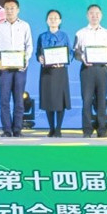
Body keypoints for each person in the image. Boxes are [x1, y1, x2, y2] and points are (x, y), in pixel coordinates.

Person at [0, 0, 32, 137]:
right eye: (7, 8)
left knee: (19, 100)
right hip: (4, 68)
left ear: (18, 10)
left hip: (20, 68)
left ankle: (17, 129)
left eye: (12, 8)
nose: (9, 11)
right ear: (4, 10)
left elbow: (29, 46)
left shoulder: (25, 26)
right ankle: (7, 130)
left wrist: (25, 61)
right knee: (4, 99)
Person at [74, 4, 107, 137]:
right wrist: (83, 58)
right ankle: (87, 130)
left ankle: (102, 129)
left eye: (97, 13)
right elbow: (75, 52)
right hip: (87, 69)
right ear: (87, 15)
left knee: (102, 100)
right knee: (87, 100)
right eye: (92, 13)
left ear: (101, 16)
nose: (94, 16)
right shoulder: (80, 33)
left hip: (102, 69)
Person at [36, 9, 73, 137]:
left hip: (60, 71)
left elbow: (70, 52)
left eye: (56, 18)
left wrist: (65, 61)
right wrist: (40, 58)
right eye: (50, 18)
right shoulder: (42, 36)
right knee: (48, 99)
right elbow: (38, 53)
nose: (53, 20)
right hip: (46, 72)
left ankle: (58, 128)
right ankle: (51, 128)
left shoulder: (64, 36)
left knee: (60, 100)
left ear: (60, 21)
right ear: (47, 21)